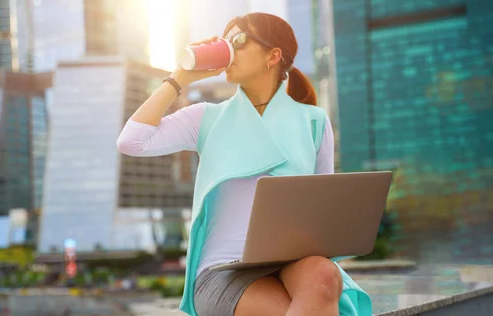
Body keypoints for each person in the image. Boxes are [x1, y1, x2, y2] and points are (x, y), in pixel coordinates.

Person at [117, 13, 371, 316]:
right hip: (224, 270)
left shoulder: (313, 122)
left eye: (238, 40)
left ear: (273, 56)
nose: (228, 48)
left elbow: (321, 216)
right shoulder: (206, 118)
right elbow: (132, 141)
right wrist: (180, 77)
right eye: (226, 41)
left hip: (290, 264)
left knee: (324, 275)